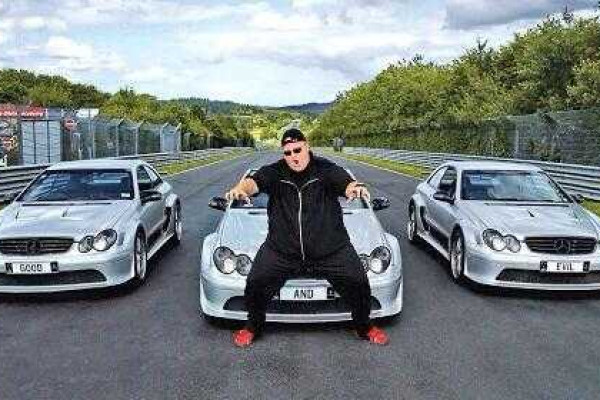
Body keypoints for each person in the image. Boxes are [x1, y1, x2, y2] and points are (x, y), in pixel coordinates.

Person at [225, 128, 389, 348]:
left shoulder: (325, 169)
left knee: (358, 282)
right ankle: (252, 326)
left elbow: (344, 181)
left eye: (297, 150)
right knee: (255, 282)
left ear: (307, 146)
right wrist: (240, 189)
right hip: (282, 250)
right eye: (288, 152)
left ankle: (364, 326)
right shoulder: (275, 172)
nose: (293, 156)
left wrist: (354, 187)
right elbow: (253, 183)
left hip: (331, 249)